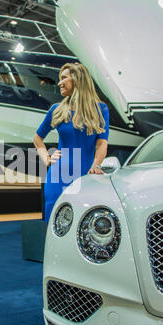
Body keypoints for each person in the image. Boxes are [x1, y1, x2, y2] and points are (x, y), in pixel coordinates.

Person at [33, 62, 109, 223]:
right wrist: (46, 158)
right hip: (58, 173)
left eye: (64, 78)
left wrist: (96, 165)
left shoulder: (101, 109)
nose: (59, 82)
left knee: (84, 220)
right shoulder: (56, 109)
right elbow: (37, 138)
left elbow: (102, 143)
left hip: (86, 175)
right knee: (53, 217)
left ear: (78, 79)